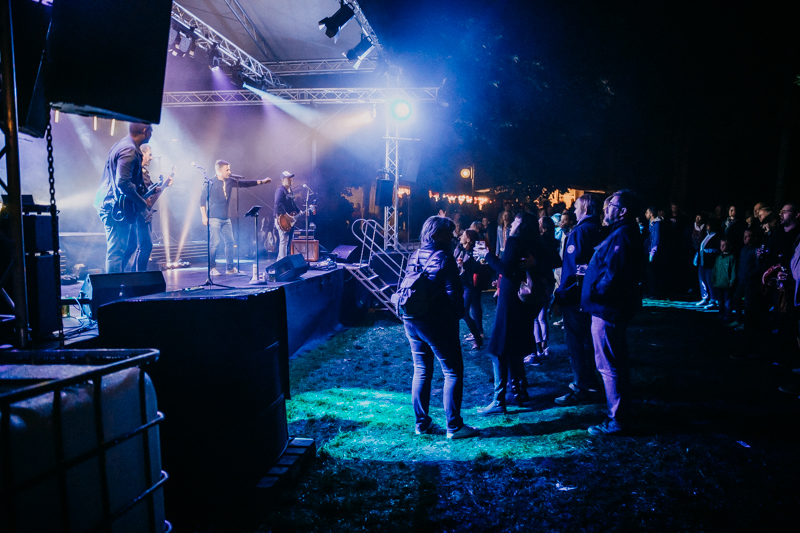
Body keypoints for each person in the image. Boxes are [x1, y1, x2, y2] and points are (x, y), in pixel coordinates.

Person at [401, 216, 478, 439]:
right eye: (449, 233)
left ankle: (421, 424)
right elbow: (455, 294)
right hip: (437, 322)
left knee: (421, 370)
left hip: (411, 319)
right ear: (437, 235)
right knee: (452, 371)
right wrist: (457, 316)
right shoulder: (445, 257)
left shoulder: (415, 255)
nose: (453, 237)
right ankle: (454, 426)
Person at [581, 189, 645, 436]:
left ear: (623, 211)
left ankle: (616, 418)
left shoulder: (622, 235)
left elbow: (614, 274)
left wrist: (595, 291)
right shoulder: (622, 232)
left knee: (608, 364)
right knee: (613, 362)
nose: (606, 208)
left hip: (608, 310)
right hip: (609, 308)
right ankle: (618, 412)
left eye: (612, 205)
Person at [475, 212, 544, 414]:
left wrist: (487, 256)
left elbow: (506, 269)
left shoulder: (515, 241)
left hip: (511, 299)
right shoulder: (534, 242)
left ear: (521, 225)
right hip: (524, 301)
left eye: (515, 220)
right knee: (514, 346)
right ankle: (519, 392)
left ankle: (499, 400)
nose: (512, 223)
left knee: (499, 347)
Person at [553, 194, 605, 406]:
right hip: (593, 294)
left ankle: (580, 386)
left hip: (575, 296)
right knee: (588, 341)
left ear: (584, 209)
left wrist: (561, 294)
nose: (574, 211)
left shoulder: (580, 232)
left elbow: (573, 267)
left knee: (575, 341)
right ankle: (591, 381)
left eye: (576, 207)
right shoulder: (602, 229)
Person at [94, 123, 152, 273]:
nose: (152, 133)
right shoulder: (129, 149)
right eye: (151, 130)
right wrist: (141, 203)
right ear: (145, 131)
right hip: (114, 207)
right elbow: (123, 182)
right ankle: (113, 285)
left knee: (129, 246)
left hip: (118, 205)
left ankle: (119, 280)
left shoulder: (124, 145)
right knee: (116, 252)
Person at [200, 160, 271, 275]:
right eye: (227, 170)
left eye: (229, 169)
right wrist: (204, 216)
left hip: (226, 218)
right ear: (219, 171)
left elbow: (244, 183)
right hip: (214, 218)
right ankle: (212, 268)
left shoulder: (229, 181)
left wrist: (261, 182)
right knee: (214, 243)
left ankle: (230, 268)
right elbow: (202, 200)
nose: (229, 172)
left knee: (230, 242)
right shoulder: (210, 183)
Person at [121, 145, 173, 272]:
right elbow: (134, 192)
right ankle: (131, 274)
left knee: (141, 246)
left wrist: (164, 185)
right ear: (142, 154)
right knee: (141, 246)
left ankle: (136, 274)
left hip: (143, 213)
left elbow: (151, 193)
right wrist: (143, 203)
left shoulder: (144, 172)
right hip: (137, 213)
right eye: (150, 154)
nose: (152, 157)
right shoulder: (135, 172)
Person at [528, 215, 561, 364]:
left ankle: (538, 348)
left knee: (536, 317)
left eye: (540, 222)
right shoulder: (553, 242)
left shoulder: (538, 243)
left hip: (540, 281)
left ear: (544, 228)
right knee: (542, 316)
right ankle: (544, 346)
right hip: (549, 280)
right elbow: (557, 262)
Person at [455, 229, 484, 349]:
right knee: (465, 310)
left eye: (463, 235)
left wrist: (465, 265)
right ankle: (477, 334)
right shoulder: (459, 248)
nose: (461, 236)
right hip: (458, 284)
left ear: (469, 239)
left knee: (464, 312)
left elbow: (478, 267)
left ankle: (478, 336)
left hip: (468, 285)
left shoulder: (474, 252)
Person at [274, 171, 301, 261]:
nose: (291, 180)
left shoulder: (290, 191)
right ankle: (283, 262)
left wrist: (299, 211)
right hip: (281, 219)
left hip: (289, 220)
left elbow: (293, 203)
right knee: (284, 241)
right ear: (283, 180)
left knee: (289, 240)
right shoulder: (280, 191)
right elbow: (278, 205)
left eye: (291, 178)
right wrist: (287, 216)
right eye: (288, 178)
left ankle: (280, 262)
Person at [712, 238, 737, 324]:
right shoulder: (719, 257)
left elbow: (733, 270)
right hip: (719, 283)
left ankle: (727, 316)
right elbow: (715, 270)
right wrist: (714, 280)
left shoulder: (732, 257)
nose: (722, 247)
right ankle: (721, 315)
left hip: (727, 284)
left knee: (727, 301)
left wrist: (732, 281)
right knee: (720, 301)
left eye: (724, 245)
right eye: (721, 245)